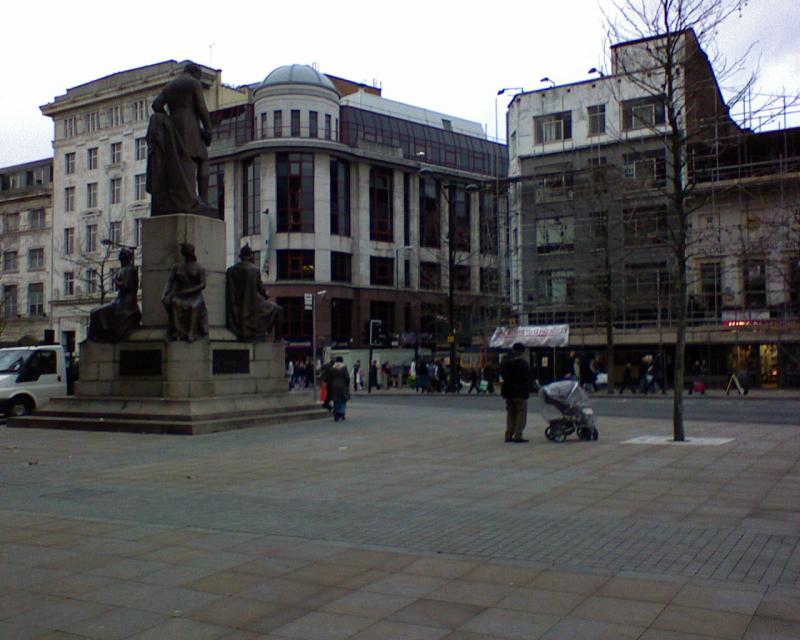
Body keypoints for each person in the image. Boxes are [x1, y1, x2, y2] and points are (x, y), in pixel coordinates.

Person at [146, 62, 216, 216]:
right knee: (202, 160)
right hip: (191, 127)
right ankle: (202, 199)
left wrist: (167, 121)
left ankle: (186, 197)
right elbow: (201, 107)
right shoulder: (193, 83)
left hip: (173, 128)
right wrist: (208, 129)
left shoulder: (170, 85)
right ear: (196, 73)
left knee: (181, 163)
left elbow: (156, 105)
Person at [225, 244, 282, 341]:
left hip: (236, 305)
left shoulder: (231, 270)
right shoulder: (254, 270)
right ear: (251, 256)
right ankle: (278, 339)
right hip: (252, 304)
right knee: (279, 310)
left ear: (240, 256)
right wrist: (266, 294)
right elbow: (260, 288)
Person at [87, 248, 141, 342]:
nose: (120, 260)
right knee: (94, 311)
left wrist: (116, 281)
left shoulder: (130, 270)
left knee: (97, 312)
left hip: (126, 303)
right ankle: (95, 337)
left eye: (121, 257)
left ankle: (101, 335)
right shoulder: (123, 269)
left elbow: (126, 287)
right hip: (119, 300)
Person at [161, 243, 208, 342]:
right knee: (175, 303)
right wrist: (165, 294)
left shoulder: (199, 268)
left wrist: (189, 290)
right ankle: (178, 332)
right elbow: (170, 282)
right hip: (181, 296)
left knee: (194, 306)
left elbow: (203, 284)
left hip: (195, 296)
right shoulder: (177, 267)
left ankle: (191, 333)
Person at [499, 342, 533, 443]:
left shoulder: (505, 361)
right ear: (521, 351)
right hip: (520, 391)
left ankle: (508, 434)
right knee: (521, 413)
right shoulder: (522, 363)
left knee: (510, 413)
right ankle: (518, 434)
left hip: (508, 391)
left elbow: (502, 373)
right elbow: (527, 377)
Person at [323, 356, 350, 421]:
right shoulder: (344, 367)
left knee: (336, 400)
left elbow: (328, 378)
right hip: (343, 385)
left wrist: (329, 386)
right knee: (343, 399)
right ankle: (341, 412)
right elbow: (347, 377)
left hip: (333, 386)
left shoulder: (332, 368)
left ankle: (336, 414)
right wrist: (347, 384)